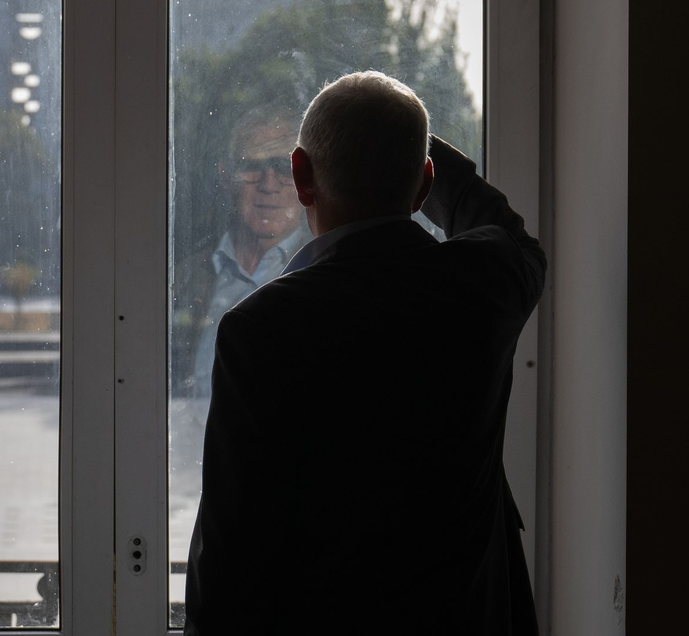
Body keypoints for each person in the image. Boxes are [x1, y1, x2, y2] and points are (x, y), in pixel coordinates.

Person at [185, 71, 544, 634]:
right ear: (424, 182)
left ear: (300, 175)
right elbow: (508, 232)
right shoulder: (485, 283)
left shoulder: (261, 327)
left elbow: (234, 542)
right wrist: (406, 146)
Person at [170, 105, 313, 398]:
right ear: (225, 175)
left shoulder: (323, 274)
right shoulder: (181, 276)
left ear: (305, 177)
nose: (268, 185)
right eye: (252, 167)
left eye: (284, 168)